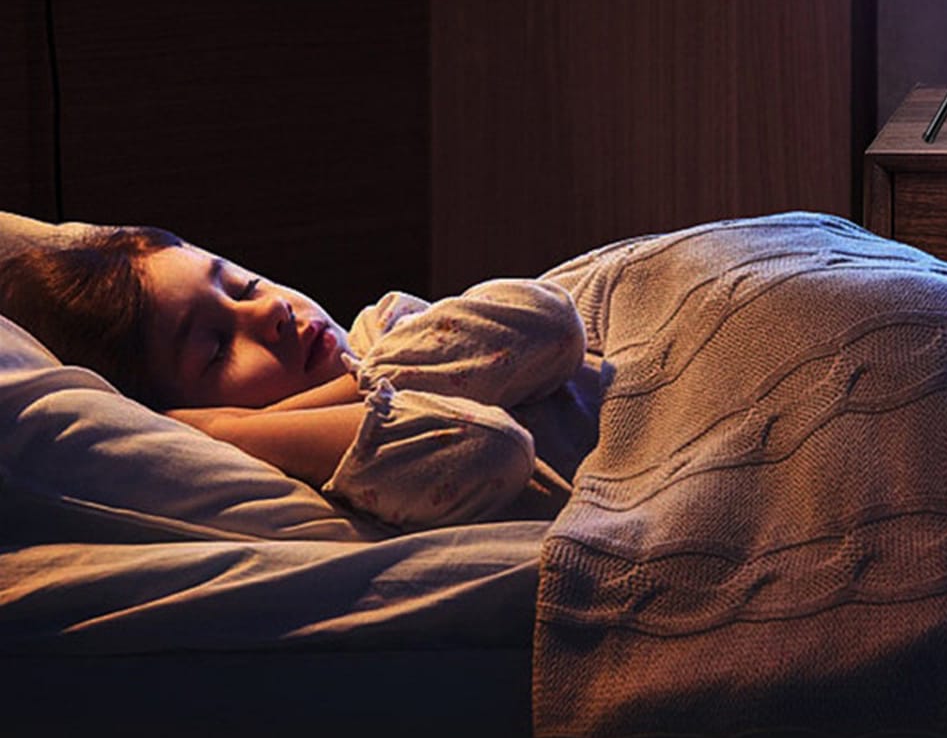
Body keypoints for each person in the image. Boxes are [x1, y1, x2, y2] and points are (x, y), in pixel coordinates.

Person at [0, 225, 603, 529]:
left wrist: (349, 380)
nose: (270, 313)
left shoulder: (384, 326)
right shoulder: (334, 473)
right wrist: (230, 433)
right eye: (216, 349)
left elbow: (549, 320)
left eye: (243, 286)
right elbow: (489, 448)